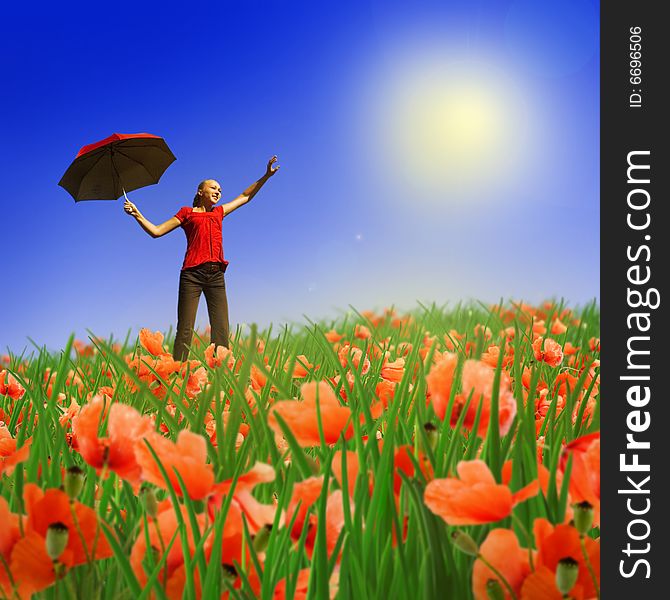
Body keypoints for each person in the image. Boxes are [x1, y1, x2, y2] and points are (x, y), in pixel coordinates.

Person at [124, 156, 280, 361]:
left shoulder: (219, 213)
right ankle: (178, 373)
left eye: (220, 190)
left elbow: (245, 196)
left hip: (216, 276)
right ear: (200, 192)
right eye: (213, 187)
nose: (218, 191)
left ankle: (220, 374)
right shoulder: (187, 213)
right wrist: (137, 214)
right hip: (192, 276)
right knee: (185, 329)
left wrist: (266, 176)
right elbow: (157, 231)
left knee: (221, 329)